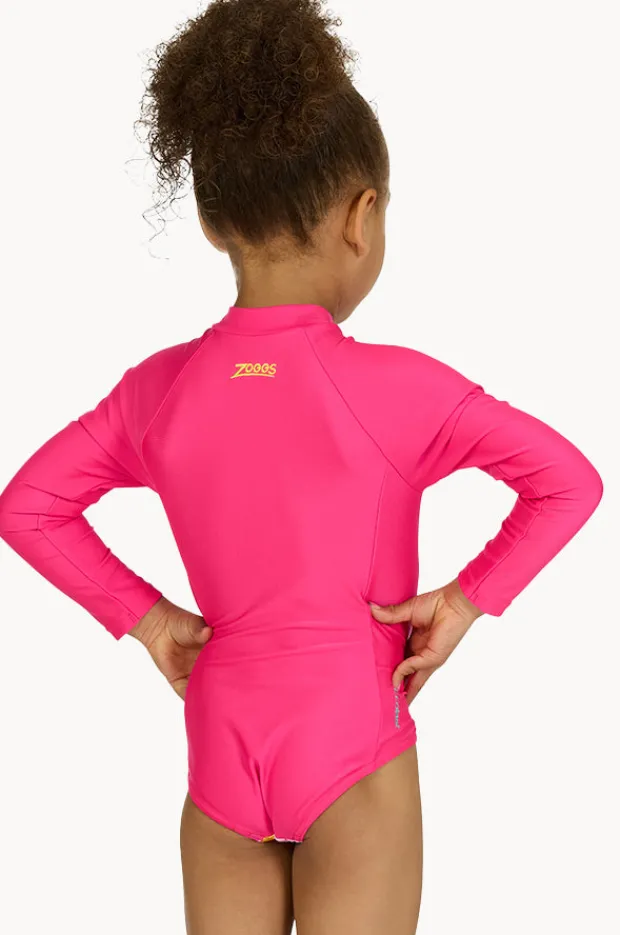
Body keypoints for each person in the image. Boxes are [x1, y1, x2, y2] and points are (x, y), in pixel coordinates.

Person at [0, 1, 603, 933]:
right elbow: (569, 481)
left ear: (212, 223)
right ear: (363, 216)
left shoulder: (158, 391)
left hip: (220, 746)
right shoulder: (399, 388)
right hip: (352, 745)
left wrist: (150, 620)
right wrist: (464, 599)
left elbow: (28, 507)